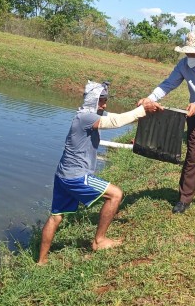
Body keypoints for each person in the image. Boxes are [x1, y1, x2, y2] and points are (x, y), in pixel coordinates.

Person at [37, 81, 161, 264]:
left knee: (56, 216)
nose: (104, 105)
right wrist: (143, 110)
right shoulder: (86, 118)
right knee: (115, 195)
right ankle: (99, 241)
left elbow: (119, 117)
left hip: (63, 175)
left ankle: (41, 261)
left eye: (105, 100)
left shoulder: (86, 115)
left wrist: (143, 111)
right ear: (93, 101)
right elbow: (115, 121)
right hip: (76, 177)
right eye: (101, 101)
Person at [137, 31, 195, 217]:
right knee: (192, 158)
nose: (189, 56)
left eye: (192, 53)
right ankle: (184, 199)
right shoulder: (183, 65)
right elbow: (168, 84)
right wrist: (150, 97)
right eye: (187, 53)